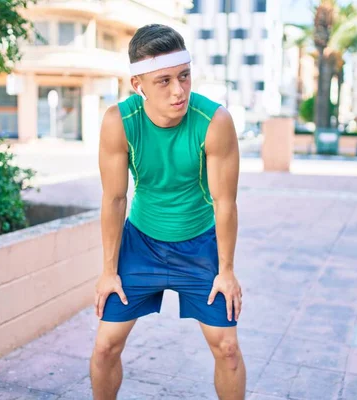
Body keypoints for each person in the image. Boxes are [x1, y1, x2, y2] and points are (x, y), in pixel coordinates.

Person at [89, 24, 245, 399]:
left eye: (184, 76)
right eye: (164, 81)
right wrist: (108, 271)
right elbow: (114, 200)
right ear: (137, 84)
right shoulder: (120, 122)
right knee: (105, 346)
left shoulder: (214, 121)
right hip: (141, 244)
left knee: (227, 349)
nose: (179, 91)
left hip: (200, 245)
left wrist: (226, 271)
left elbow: (225, 202)